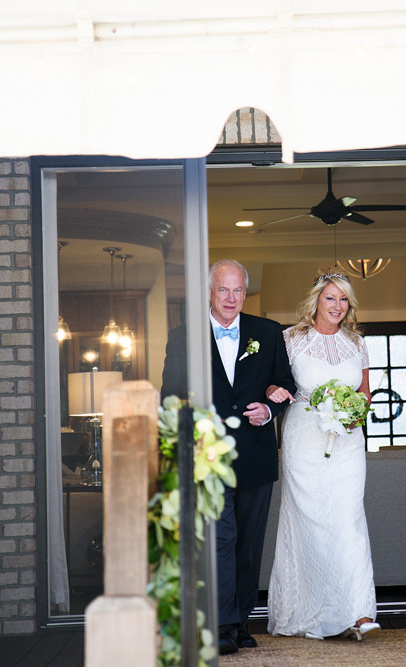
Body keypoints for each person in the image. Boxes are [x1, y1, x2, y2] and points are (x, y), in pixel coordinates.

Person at [160, 259, 296, 655]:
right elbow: (171, 397)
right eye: (224, 290)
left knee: (248, 545)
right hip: (210, 457)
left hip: (256, 455)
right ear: (209, 292)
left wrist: (270, 410)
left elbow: (286, 383)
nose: (232, 298)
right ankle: (222, 624)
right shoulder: (183, 337)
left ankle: (241, 621)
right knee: (219, 540)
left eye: (238, 290)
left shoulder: (268, 332)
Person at [265, 270, 380, 641]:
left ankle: (360, 614)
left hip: (347, 439)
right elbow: (274, 382)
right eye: (331, 298)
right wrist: (271, 389)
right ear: (316, 300)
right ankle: (313, 611)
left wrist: (355, 413)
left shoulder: (357, 343)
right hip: (304, 437)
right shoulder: (290, 339)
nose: (337, 306)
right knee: (311, 521)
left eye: (343, 299)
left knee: (349, 520)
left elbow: (364, 393)